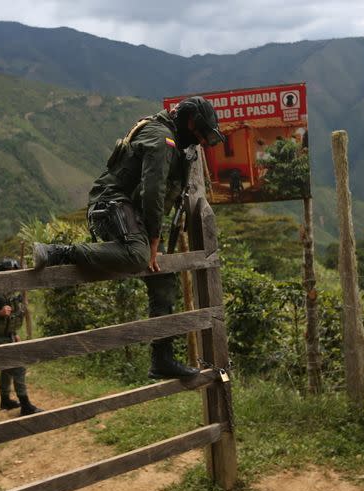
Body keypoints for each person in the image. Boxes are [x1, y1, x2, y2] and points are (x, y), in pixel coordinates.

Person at [32, 96, 225, 379]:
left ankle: (162, 359)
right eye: (199, 134)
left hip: (130, 212)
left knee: (163, 278)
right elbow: (152, 191)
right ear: (191, 122)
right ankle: (58, 252)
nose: (198, 142)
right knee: (138, 255)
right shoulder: (162, 138)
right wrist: (154, 240)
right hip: (110, 205)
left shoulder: (174, 139)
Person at [0, 257, 43, 416]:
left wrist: (14, 333)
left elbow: (12, 318)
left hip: (8, 337)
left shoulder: (12, 293)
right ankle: (25, 405)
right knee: (18, 367)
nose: (12, 276)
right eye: (9, 273)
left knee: (7, 369)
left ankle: (5, 400)